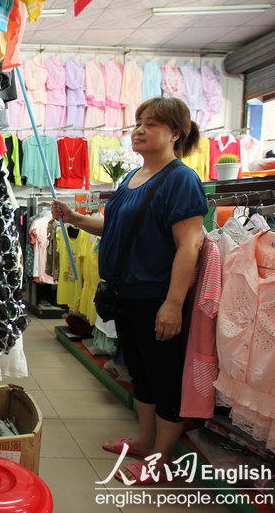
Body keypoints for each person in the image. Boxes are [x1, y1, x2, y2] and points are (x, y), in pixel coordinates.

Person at [51, 97, 207, 484]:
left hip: (157, 297)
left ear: (175, 133)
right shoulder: (132, 178)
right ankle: (144, 438)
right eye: (138, 122)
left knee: (163, 376)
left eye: (151, 124)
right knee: (140, 371)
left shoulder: (180, 179)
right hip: (127, 295)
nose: (138, 129)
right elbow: (113, 226)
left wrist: (173, 304)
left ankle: (160, 460)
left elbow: (190, 245)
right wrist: (74, 218)